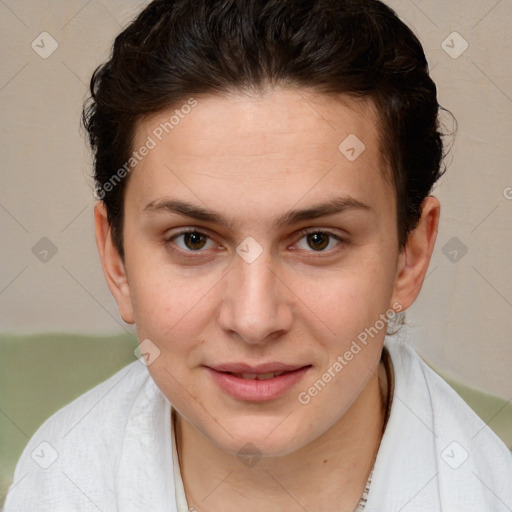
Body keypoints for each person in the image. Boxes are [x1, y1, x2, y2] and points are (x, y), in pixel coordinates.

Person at [4, 0, 512, 510]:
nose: (254, 320)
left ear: (411, 255)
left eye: (318, 239)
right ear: (116, 261)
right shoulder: (54, 483)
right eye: (193, 240)